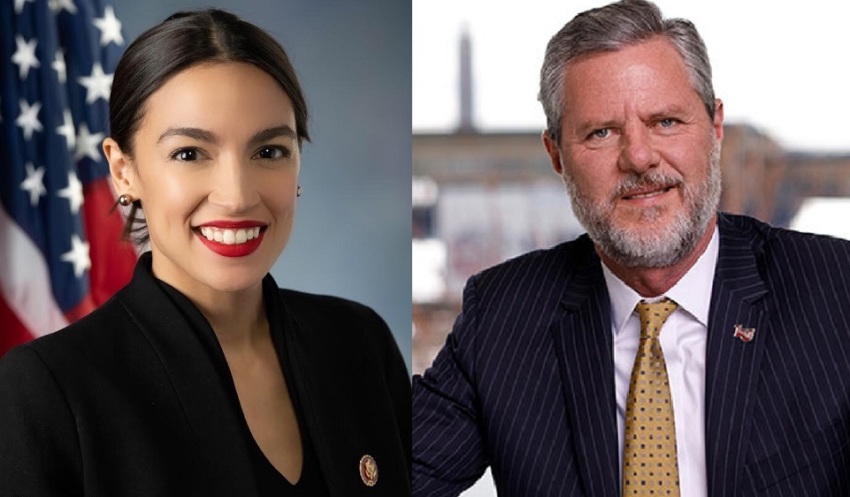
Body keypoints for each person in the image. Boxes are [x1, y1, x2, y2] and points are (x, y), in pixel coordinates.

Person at [412, 1, 850, 496]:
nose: (639, 158)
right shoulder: (502, 320)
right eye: (602, 133)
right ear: (556, 155)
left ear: (715, 127)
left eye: (665, 122)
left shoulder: (835, 292)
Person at [0, 9, 410, 496]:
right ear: (123, 170)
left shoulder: (360, 343)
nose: (236, 196)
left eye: (270, 152)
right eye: (190, 154)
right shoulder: (47, 390)